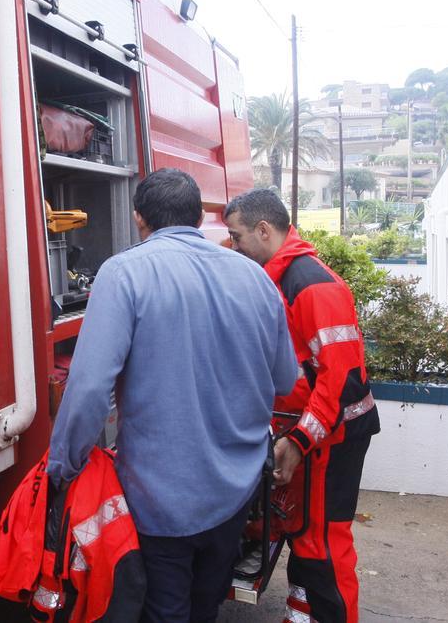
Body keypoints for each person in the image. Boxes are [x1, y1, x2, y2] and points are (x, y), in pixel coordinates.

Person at [47, 168, 298, 622]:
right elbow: (284, 380)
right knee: (205, 607)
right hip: (235, 492)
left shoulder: (123, 274)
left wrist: (63, 467)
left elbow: (86, 391)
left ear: (139, 218)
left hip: (161, 500)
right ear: (199, 218)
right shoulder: (257, 277)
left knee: (164, 610)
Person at [223, 190, 381, 623]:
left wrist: (298, 440)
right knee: (302, 533)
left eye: (236, 238)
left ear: (263, 231)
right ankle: (303, 610)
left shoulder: (312, 286)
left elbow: (340, 381)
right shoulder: (281, 277)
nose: (232, 247)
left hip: (332, 438)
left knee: (323, 544)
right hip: (314, 434)